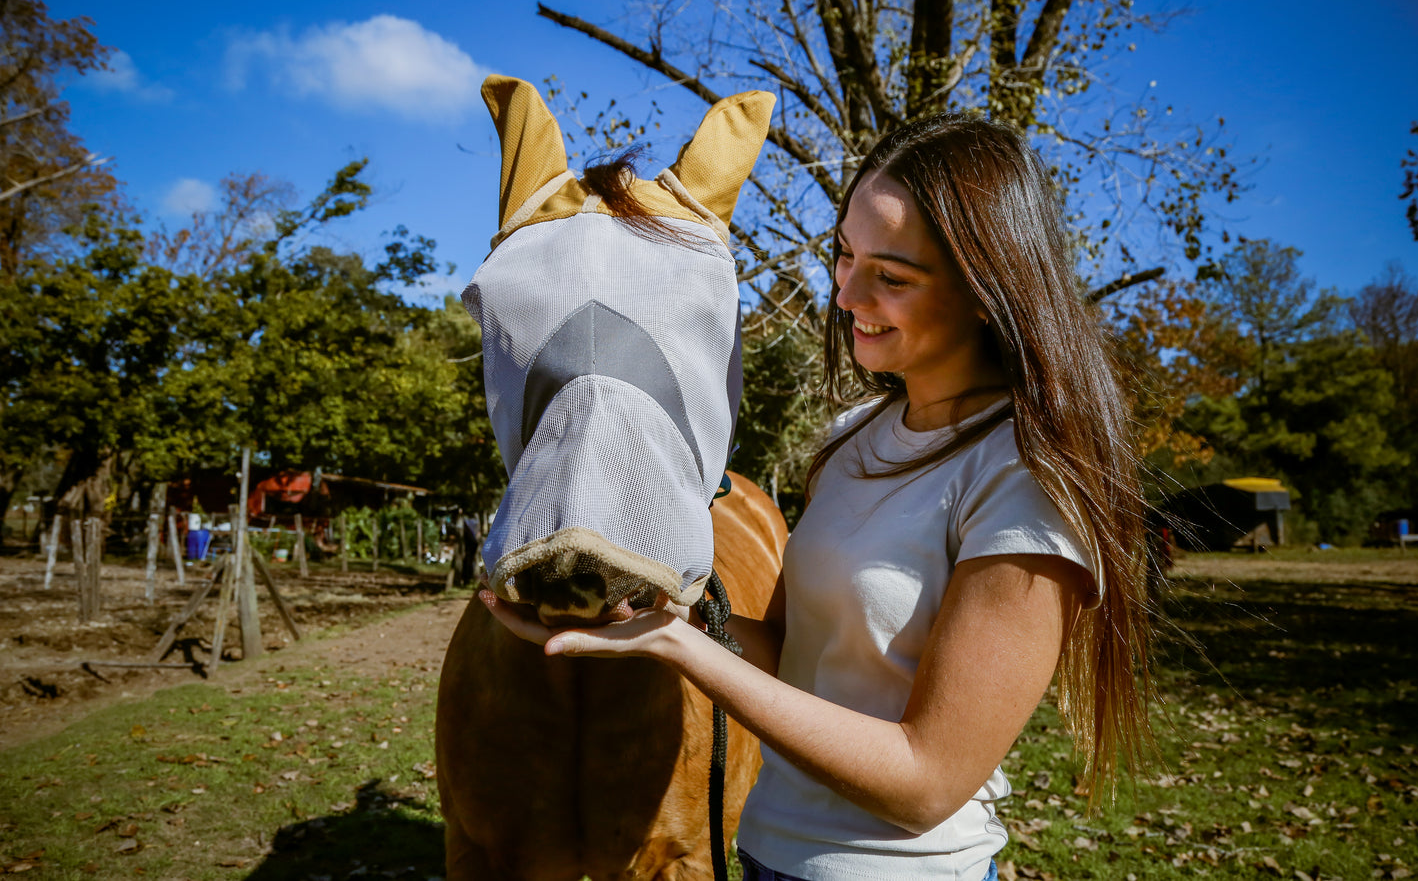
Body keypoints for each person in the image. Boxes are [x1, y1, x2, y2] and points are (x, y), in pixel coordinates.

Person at [483, 111, 1153, 881]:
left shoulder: (1025, 477)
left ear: (985, 291)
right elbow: (796, 656)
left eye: (889, 276)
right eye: (843, 254)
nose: (845, 294)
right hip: (767, 853)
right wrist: (668, 608)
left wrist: (676, 645)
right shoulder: (853, 438)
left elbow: (924, 783)